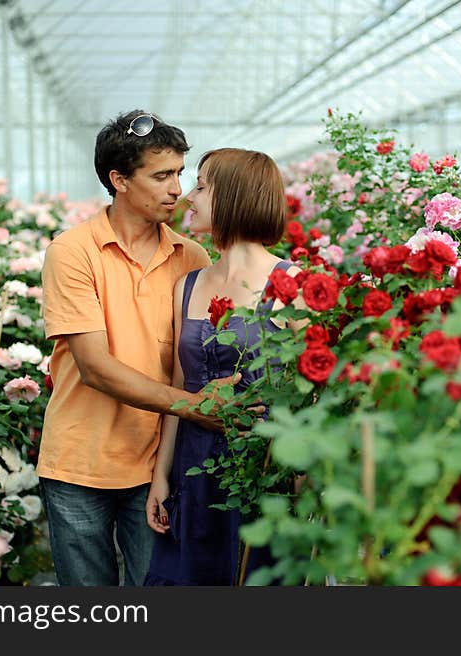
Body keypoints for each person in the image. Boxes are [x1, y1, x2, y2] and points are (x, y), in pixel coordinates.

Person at [38, 110, 240, 586]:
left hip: (157, 466)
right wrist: (195, 408)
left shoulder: (191, 257)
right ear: (119, 180)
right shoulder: (74, 252)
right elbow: (96, 369)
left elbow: (194, 358)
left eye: (180, 175)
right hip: (79, 463)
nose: (177, 189)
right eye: (161, 175)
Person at [144, 148, 306, 586]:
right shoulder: (188, 285)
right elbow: (179, 387)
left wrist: (299, 487)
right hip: (193, 472)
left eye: (201, 186)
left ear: (233, 196)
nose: (187, 197)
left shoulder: (291, 286)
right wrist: (161, 478)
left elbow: (307, 399)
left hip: (262, 472)